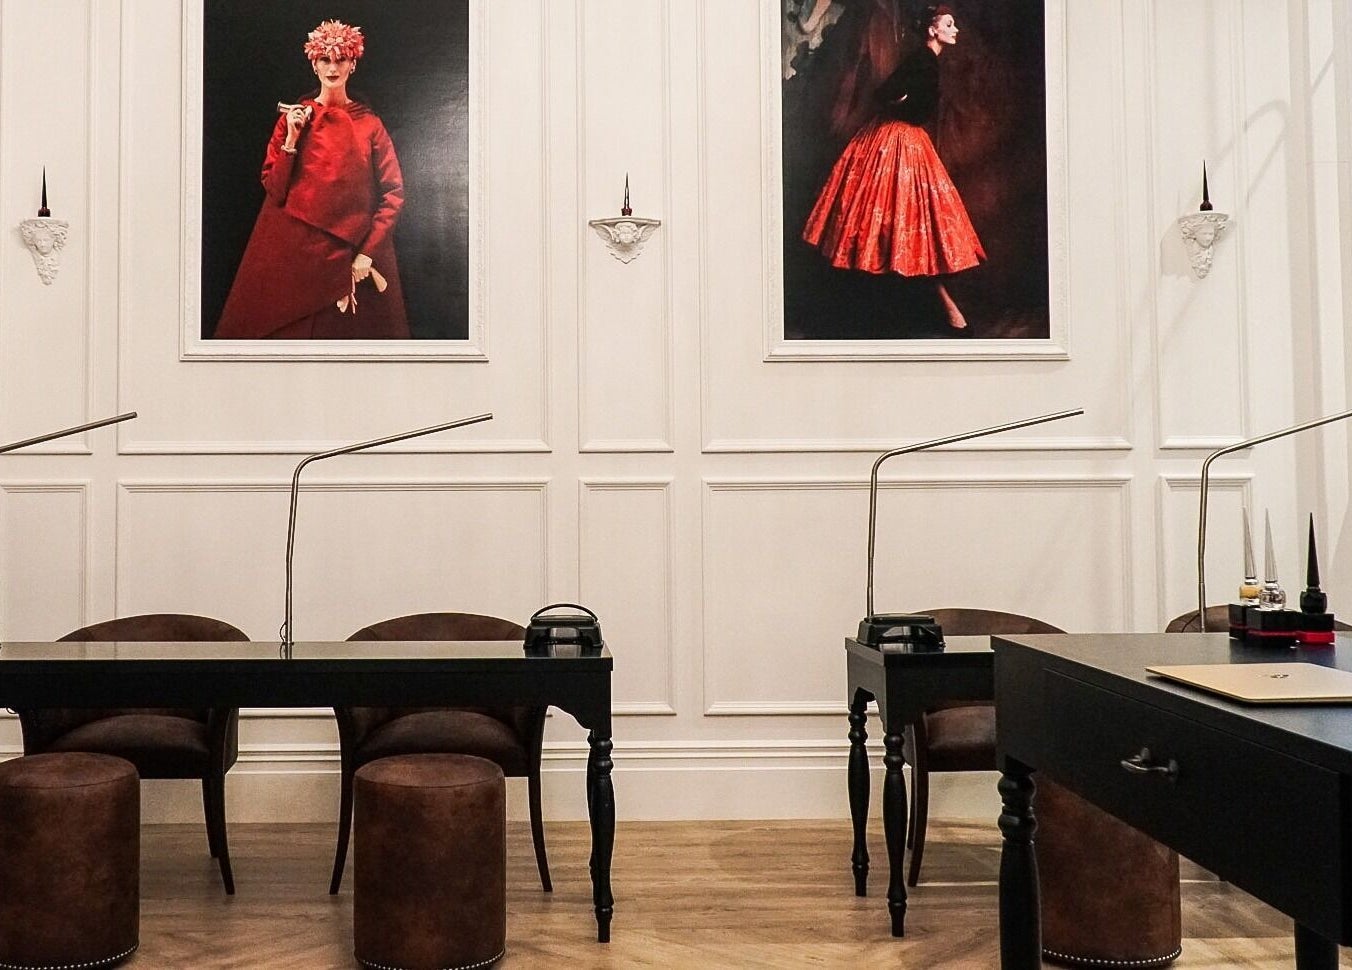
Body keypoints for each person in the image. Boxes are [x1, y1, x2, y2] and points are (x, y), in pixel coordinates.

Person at [215, 19, 409, 339]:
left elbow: (393, 193)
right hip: (294, 256)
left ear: (352, 64)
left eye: (340, 59)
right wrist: (291, 139)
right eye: (325, 59)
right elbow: (275, 192)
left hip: (351, 255)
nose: (333, 67)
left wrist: (367, 253)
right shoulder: (293, 118)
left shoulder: (370, 125)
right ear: (314, 64)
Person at [800, 4, 984, 330]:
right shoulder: (922, 60)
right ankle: (907, 314)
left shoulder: (928, 61)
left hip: (909, 143)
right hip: (894, 142)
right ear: (932, 29)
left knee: (910, 226)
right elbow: (886, 94)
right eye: (949, 24)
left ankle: (944, 312)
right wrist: (901, 105)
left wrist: (906, 106)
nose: (955, 30)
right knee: (883, 223)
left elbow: (910, 101)